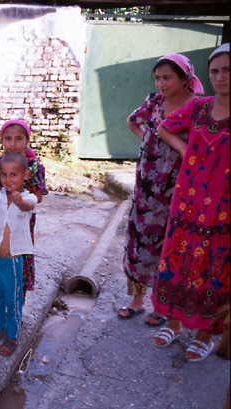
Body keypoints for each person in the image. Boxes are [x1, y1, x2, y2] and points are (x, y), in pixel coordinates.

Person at [152, 44, 230, 362]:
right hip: (187, 200)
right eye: (215, 71)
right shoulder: (199, 107)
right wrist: (186, 150)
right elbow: (164, 128)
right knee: (177, 261)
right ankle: (174, 322)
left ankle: (205, 333)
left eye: (228, 70)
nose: (221, 77)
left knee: (214, 269)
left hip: (224, 209)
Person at [117, 54, 204, 325]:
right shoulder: (154, 101)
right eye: (157, 78)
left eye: (167, 77)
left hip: (177, 184)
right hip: (147, 181)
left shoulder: (197, 107)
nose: (161, 83)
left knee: (169, 242)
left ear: (185, 78)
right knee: (139, 238)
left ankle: (162, 305)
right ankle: (137, 300)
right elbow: (133, 121)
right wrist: (150, 142)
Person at [0, 119, 47, 298]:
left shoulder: (33, 165)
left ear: (27, 140)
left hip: (22, 224)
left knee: (19, 263)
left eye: (18, 139)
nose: (13, 144)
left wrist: (22, 201)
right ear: (2, 140)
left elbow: (38, 195)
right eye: (8, 139)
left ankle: (17, 306)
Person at [0, 153, 37, 355]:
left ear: (25, 175)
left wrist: (19, 201)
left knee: (12, 299)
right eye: (4, 174)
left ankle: (12, 336)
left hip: (11, 261)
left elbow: (28, 206)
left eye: (14, 174)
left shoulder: (28, 197)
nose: (8, 179)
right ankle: (0, 327)